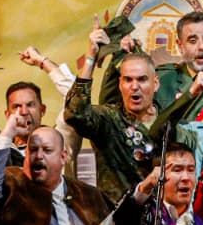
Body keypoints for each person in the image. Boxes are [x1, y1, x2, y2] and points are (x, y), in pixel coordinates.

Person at [66, 20, 174, 204]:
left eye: (142, 79)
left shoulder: (170, 123)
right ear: (120, 84)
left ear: (155, 83)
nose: (134, 87)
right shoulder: (108, 120)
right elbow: (75, 114)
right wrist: (91, 57)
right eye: (128, 80)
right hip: (115, 223)